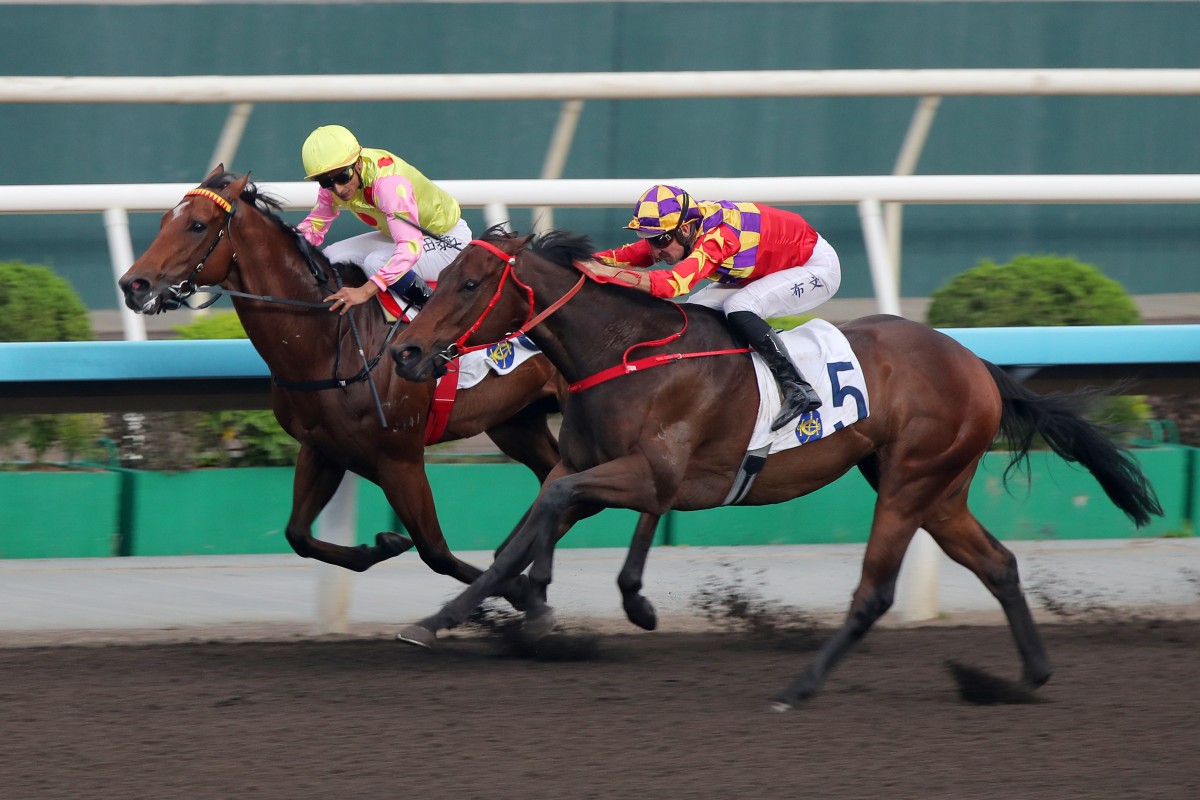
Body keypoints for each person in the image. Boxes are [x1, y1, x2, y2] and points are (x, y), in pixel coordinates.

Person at [589, 184, 842, 431]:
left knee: (739, 305)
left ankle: (797, 387)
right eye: (649, 239)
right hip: (765, 270)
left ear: (686, 229)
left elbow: (674, 284)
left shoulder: (718, 237)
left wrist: (608, 274)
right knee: (695, 311)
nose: (655, 251)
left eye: (660, 240)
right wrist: (579, 262)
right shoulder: (683, 229)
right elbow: (627, 255)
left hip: (814, 267)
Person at [296, 124, 471, 315]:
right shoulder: (335, 185)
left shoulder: (388, 185)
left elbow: (410, 248)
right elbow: (313, 228)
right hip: (401, 235)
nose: (338, 189)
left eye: (343, 177)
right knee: (330, 256)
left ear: (359, 163)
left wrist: (364, 291)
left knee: (376, 262)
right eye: (325, 182)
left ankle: (436, 315)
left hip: (447, 240)